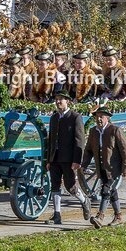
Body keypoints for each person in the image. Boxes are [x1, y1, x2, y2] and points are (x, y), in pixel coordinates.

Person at [46, 91, 91, 226]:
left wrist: (77, 160)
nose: (58, 102)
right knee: (55, 185)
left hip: (68, 158)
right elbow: (51, 140)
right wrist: (48, 159)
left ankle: (84, 201)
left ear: (68, 102)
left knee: (70, 186)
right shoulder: (54, 118)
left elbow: (79, 140)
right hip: (55, 157)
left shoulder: (75, 117)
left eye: (61, 99)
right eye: (57, 99)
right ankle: (57, 215)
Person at [82, 106, 126, 228]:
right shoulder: (93, 132)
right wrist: (84, 165)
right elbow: (88, 150)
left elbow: (125, 150)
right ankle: (118, 217)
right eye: (97, 116)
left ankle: (100, 216)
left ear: (107, 118)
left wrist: (125, 167)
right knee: (112, 192)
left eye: (101, 116)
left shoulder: (115, 130)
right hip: (102, 168)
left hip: (114, 169)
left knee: (106, 190)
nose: (99, 119)